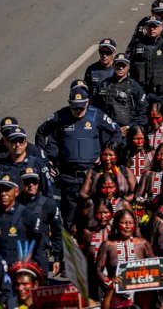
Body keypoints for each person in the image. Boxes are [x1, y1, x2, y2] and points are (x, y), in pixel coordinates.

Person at [36, 87, 121, 229]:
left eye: (81, 107)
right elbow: (40, 132)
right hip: (68, 177)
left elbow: (116, 131)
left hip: (92, 175)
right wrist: (45, 161)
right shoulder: (60, 116)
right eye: (75, 107)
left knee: (93, 216)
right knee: (70, 218)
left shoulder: (96, 115)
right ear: (69, 103)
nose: (78, 111)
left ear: (87, 103)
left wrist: (108, 151)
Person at [0, 126, 54, 216]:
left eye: (20, 140)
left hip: (31, 215)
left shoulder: (38, 164)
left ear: (25, 142)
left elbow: (48, 193)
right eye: (13, 141)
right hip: (4, 216)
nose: (17, 144)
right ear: (7, 143)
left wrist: (50, 218)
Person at [126, 16, 163, 103]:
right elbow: (128, 70)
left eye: (155, 26)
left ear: (161, 28)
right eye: (150, 26)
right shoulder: (137, 46)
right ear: (146, 28)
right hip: (141, 94)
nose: (152, 29)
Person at [18, 167, 63, 278]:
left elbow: (57, 232)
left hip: (40, 254)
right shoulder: (14, 203)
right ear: (21, 183)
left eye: (34, 181)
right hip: (18, 253)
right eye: (27, 181)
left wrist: (57, 258)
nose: (31, 185)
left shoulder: (49, 204)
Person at [93, 53, 148, 137]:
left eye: (123, 65)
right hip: (108, 131)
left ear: (128, 67)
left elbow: (142, 113)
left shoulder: (135, 87)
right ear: (113, 66)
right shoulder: (103, 85)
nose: (121, 68)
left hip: (129, 132)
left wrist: (128, 127)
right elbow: (96, 109)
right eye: (118, 65)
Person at [0, 116, 46, 181]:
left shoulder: (30, 148)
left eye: (11, 131)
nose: (8, 134)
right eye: (5, 132)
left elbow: (44, 165)